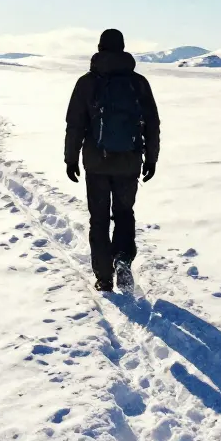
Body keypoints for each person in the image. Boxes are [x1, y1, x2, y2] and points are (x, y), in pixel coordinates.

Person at [65, 28, 160, 292]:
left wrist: (71, 159)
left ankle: (104, 277)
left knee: (99, 219)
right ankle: (123, 260)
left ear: (100, 48)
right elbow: (152, 123)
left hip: (96, 163)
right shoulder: (138, 83)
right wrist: (151, 158)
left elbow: (75, 124)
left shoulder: (87, 83)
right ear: (122, 48)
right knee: (124, 214)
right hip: (129, 161)